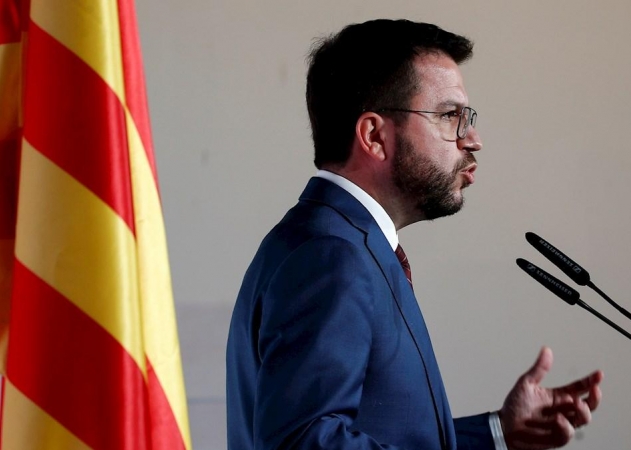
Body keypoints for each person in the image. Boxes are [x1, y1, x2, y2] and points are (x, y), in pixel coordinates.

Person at [226, 19, 602, 450]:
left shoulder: (335, 242)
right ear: (374, 136)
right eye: (449, 116)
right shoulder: (331, 256)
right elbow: (305, 442)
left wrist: (497, 433)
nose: (473, 139)